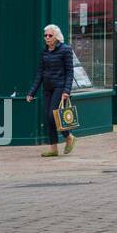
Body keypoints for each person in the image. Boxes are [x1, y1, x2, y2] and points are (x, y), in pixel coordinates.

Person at [26, 24, 76, 157]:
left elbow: (70, 72)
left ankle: (69, 136)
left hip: (60, 87)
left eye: (50, 35)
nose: (47, 38)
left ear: (57, 37)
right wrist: (32, 92)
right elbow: (40, 73)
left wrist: (66, 91)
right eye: (45, 35)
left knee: (53, 116)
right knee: (47, 118)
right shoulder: (44, 51)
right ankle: (53, 148)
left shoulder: (66, 50)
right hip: (47, 88)